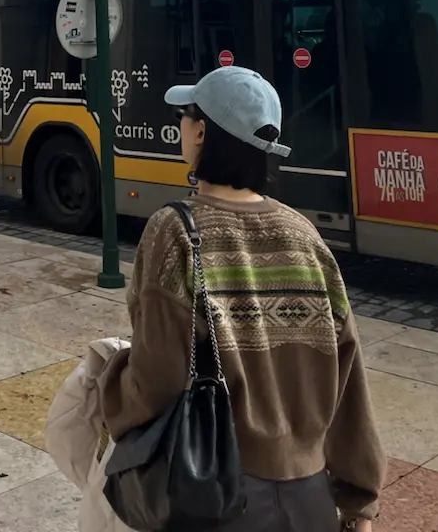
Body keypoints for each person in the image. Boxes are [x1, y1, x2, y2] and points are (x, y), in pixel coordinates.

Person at [98, 67, 384, 532]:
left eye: (184, 115)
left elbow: (157, 383)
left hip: (216, 496)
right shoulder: (306, 238)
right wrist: (358, 501)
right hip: (310, 500)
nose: (180, 125)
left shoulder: (174, 233)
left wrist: (109, 382)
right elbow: (348, 378)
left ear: (203, 131)